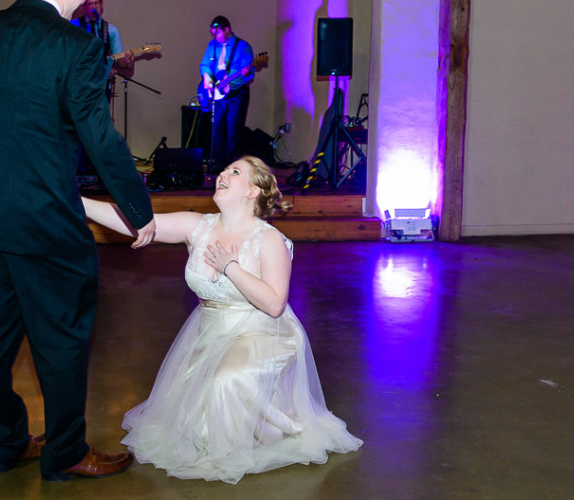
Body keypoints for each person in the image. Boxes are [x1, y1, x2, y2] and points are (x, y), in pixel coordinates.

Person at [0, 0, 156, 482]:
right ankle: (64, 453)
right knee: (61, 340)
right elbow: (100, 138)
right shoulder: (75, 46)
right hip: (44, 220)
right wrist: (139, 209)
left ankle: (5, 444)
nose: (85, 1)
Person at [82, 155, 363, 484]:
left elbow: (274, 304)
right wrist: (78, 200)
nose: (222, 175)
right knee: (190, 416)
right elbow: (140, 222)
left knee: (224, 383)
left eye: (235, 172)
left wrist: (231, 266)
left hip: (262, 331)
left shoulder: (268, 239)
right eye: (224, 169)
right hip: (213, 329)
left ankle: (271, 425)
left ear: (253, 191)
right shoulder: (197, 226)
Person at [199, 15, 255, 171]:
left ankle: (232, 167)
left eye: (217, 33)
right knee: (217, 129)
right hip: (218, 94)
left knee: (233, 130)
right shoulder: (212, 45)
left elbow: (248, 74)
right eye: (212, 34)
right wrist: (207, 77)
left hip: (236, 94)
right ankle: (217, 166)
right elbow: (205, 65)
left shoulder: (243, 46)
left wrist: (241, 74)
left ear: (227, 30)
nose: (214, 37)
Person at [71, 0, 135, 93]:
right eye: (90, 3)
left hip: (100, 86)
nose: (93, 7)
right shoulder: (73, 25)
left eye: (96, 3)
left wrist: (128, 63)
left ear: (101, 4)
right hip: (77, 83)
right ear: (84, 5)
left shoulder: (111, 30)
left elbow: (118, 58)